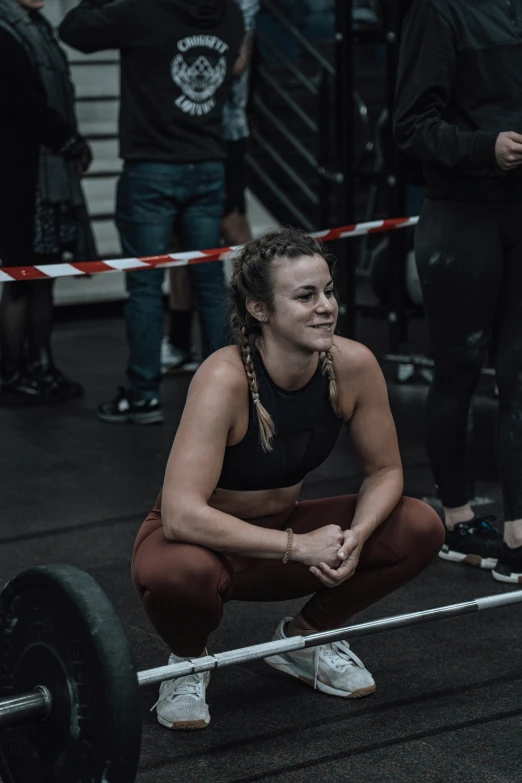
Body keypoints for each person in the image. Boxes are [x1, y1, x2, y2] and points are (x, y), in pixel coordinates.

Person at [131, 227, 444, 731]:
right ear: (259, 309)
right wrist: (299, 547)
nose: (326, 306)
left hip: (283, 536)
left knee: (420, 524)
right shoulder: (224, 377)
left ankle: (303, 640)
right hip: (204, 544)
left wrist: (357, 537)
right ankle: (188, 662)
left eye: (328, 291)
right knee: (177, 575)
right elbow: (181, 513)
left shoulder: (353, 364)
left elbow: (385, 471)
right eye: (305, 296)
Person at [59, 0, 245, 424]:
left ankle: (143, 395)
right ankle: (226, 396)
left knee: (145, 286)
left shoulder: (140, 11)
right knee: (210, 283)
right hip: (208, 164)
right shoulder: (230, 12)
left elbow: (72, 30)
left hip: (153, 168)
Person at [394, 0, 522, 582]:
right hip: (462, 217)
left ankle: (519, 532)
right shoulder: (439, 12)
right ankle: (458, 518)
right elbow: (411, 126)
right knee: (459, 369)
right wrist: (484, 147)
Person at [0, 0, 94, 402]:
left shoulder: (36, 27)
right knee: (21, 278)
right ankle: (11, 374)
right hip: (19, 176)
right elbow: (22, 102)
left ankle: (41, 366)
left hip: (45, 176)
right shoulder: (4, 31)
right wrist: (69, 141)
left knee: (47, 272)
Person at [161, 0, 260, 376]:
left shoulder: (239, 4)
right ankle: (181, 342)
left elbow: (235, 62)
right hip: (184, 134)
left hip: (222, 129)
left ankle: (256, 336)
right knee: (179, 242)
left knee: (233, 225)